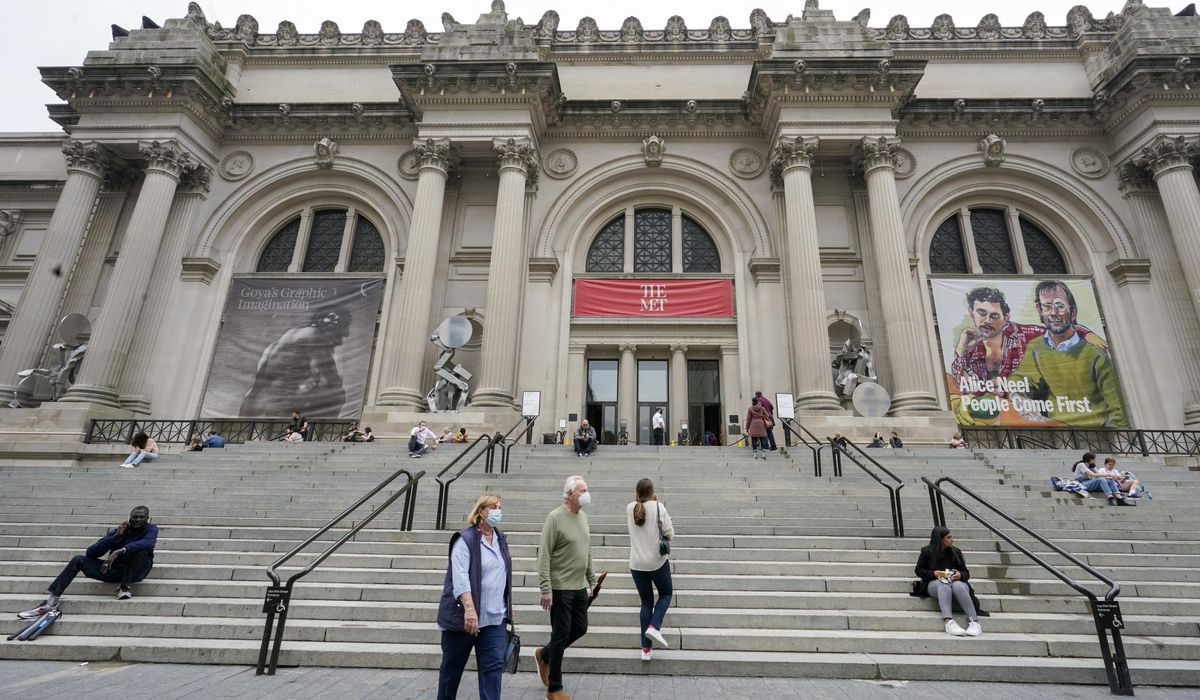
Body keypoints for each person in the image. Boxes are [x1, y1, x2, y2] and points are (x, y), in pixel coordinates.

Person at [1008, 280, 1128, 427]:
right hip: (1055, 432)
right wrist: (1018, 394)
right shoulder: (1036, 346)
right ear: (1039, 310)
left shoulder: (1096, 353)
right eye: (1047, 306)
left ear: (1073, 311)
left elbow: (1117, 411)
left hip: (1095, 435)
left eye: (1060, 306)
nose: (1053, 313)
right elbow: (1021, 377)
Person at [436, 494, 512, 700]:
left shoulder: (500, 539)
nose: (498, 511)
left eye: (500, 507)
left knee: (493, 673)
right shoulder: (465, 539)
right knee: (451, 671)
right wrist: (469, 609)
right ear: (481, 512)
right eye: (493, 507)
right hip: (464, 619)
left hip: (495, 618)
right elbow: (460, 578)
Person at [18, 506, 158, 617]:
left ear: (147, 518)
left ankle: (124, 587)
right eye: (135, 517)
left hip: (137, 572)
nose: (138, 520)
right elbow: (91, 553)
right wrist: (113, 538)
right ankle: (51, 601)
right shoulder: (120, 531)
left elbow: (148, 543)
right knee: (78, 559)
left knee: (136, 550)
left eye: (142, 517)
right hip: (113, 571)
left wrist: (119, 551)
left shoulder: (151, 529)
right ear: (129, 518)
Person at [535, 476, 600, 700]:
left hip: (579, 586)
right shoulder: (555, 518)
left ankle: (544, 654)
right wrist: (546, 587)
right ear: (570, 494)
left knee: (580, 628)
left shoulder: (583, 517)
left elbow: (587, 550)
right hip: (560, 587)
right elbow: (543, 555)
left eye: (587, 490)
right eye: (582, 491)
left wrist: (592, 579)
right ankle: (554, 689)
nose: (586, 494)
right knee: (561, 635)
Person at [950, 286, 1089, 385]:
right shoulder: (969, 345)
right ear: (971, 313)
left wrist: (1087, 334)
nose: (986, 321)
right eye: (981, 312)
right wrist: (961, 352)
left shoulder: (1027, 335)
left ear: (1006, 317)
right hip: (992, 418)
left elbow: (1062, 330)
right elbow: (963, 387)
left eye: (994, 315)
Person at [238, 310, 350, 418]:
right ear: (331, 327)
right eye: (342, 332)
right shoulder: (315, 336)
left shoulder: (284, 338)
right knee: (337, 393)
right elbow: (329, 380)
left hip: (266, 403)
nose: (342, 339)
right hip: (288, 405)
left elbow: (257, 384)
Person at [627, 478, 673, 661]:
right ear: (652, 492)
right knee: (666, 594)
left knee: (646, 603)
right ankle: (654, 626)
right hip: (657, 562)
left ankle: (645, 650)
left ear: (637, 492)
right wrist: (656, 503)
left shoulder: (630, 508)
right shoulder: (659, 507)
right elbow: (670, 533)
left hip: (636, 564)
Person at [914, 526, 982, 637]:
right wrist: (934, 574)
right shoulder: (927, 551)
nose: (952, 539)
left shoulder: (956, 552)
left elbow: (966, 573)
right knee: (943, 584)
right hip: (934, 584)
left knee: (958, 586)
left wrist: (960, 575)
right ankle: (949, 621)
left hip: (955, 584)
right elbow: (919, 570)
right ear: (940, 539)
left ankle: (974, 622)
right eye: (949, 537)